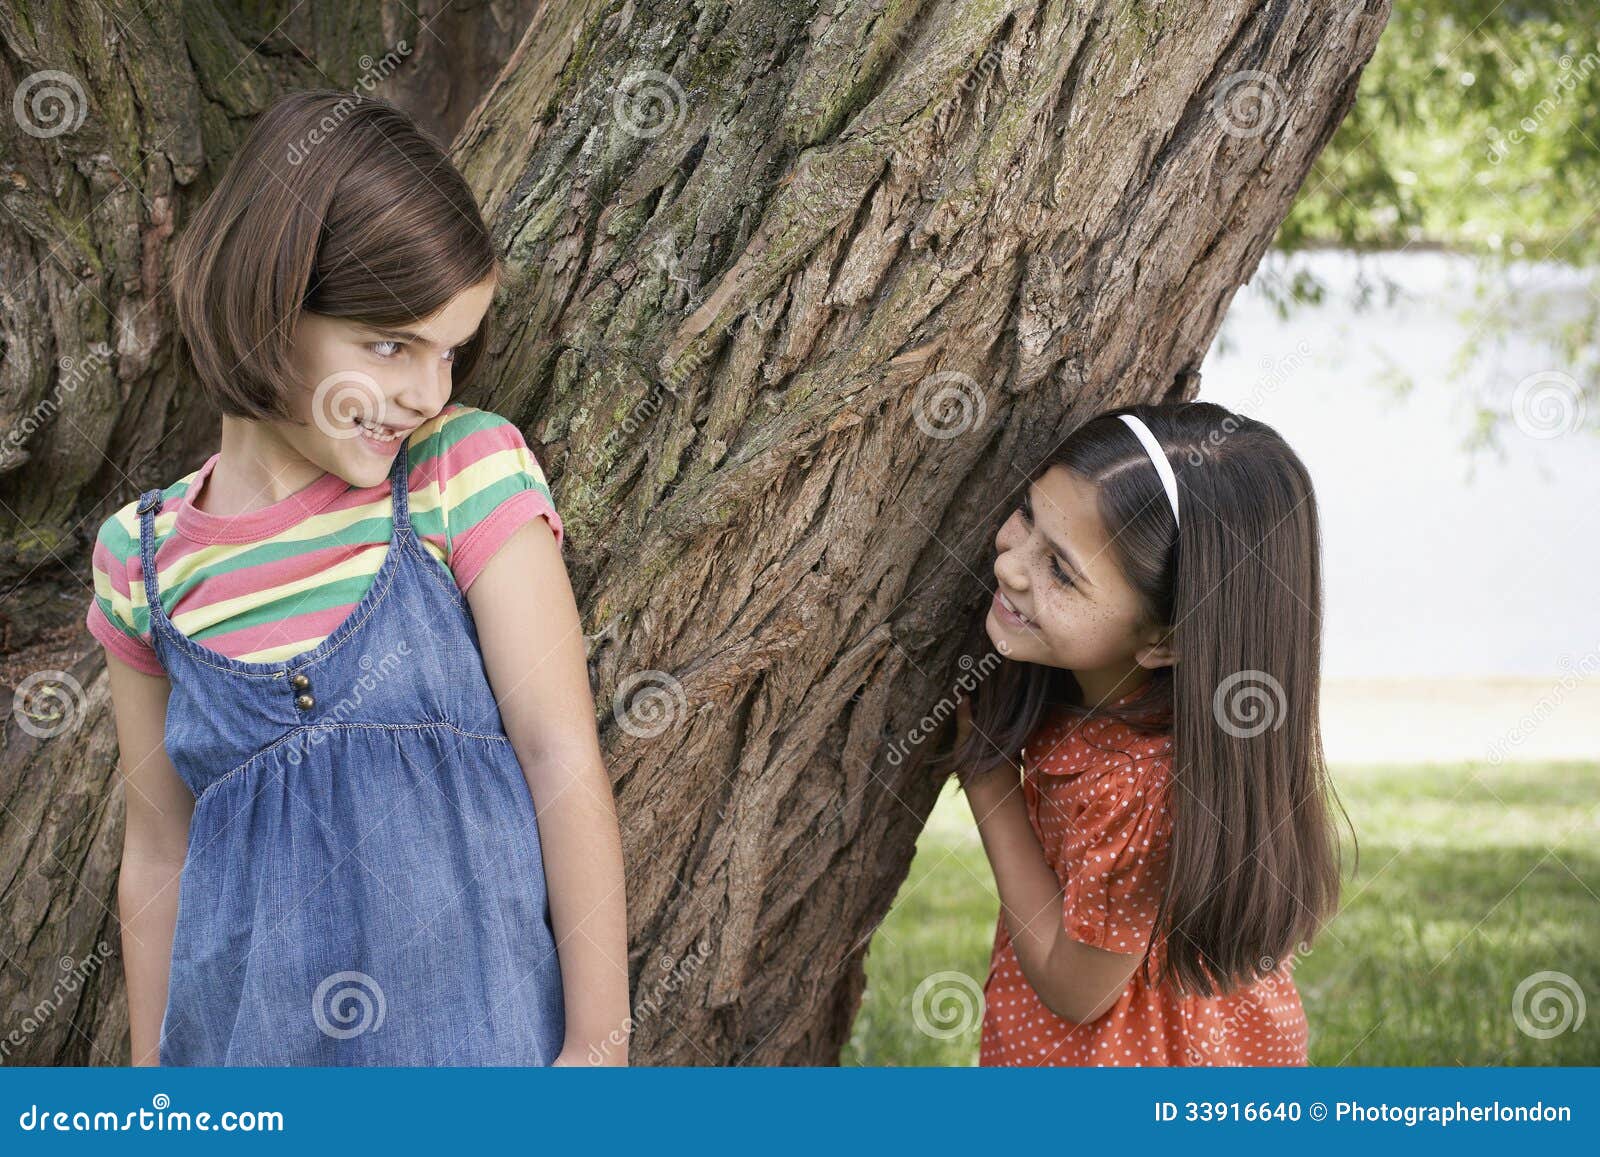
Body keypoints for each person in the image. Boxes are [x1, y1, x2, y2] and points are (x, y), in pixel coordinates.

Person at [88, 90, 629, 1066]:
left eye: (449, 351)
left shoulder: (459, 473)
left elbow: (560, 755)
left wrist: (597, 1049)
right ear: (271, 304)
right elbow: (158, 851)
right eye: (389, 346)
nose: (427, 391)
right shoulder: (143, 558)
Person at [937, 402, 1346, 1065]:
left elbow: (1076, 989)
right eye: (1028, 517)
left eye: (1062, 572)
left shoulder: (1145, 783)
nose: (1013, 567)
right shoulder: (1100, 700)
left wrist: (987, 781)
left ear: (1165, 638)